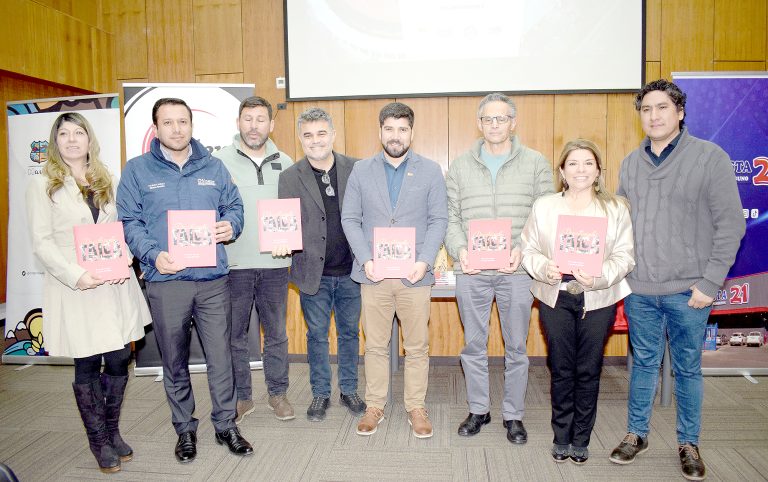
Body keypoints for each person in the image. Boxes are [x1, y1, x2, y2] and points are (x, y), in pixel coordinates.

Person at [610, 79, 745, 481]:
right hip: (640, 290)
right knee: (644, 366)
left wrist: (710, 282)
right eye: (647, 109)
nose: (653, 116)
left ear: (680, 112)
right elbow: (620, 224)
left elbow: (731, 225)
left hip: (690, 291)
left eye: (662, 108)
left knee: (687, 369)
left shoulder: (709, 157)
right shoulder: (631, 163)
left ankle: (689, 442)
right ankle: (637, 434)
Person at [117, 97, 253, 463]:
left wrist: (231, 226)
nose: (177, 129)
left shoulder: (215, 166)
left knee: (221, 356)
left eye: (183, 122)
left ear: (192, 126)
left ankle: (226, 425)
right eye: (168, 123)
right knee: (174, 359)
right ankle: (185, 429)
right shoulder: (137, 171)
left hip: (212, 281)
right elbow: (129, 222)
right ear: (156, 128)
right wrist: (152, 253)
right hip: (167, 280)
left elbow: (235, 207)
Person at [26, 112, 152, 473]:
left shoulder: (106, 178)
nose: (71, 140)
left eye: (78, 132)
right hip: (77, 287)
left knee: (116, 358)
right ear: (56, 142)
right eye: (63, 134)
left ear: (88, 138)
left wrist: (126, 254)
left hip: (113, 285)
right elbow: (41, 242)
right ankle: (98, 441)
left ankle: (112, 430)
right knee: (86, 363)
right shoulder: (42, 185)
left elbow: (119, 226)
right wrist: (75, 274)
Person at [444, 92, 554, 443]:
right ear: (479, 124)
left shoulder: (536, 162)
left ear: (513, 122)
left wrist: (523, 249)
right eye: (488, 119)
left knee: (516, 347)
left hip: (516, 271)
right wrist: (459, 249)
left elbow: (544, 214)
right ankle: (479, 409)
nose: (494, 125)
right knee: (473, 345)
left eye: (501, 118)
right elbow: (451, 217)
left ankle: (514, 415)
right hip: (471, 272)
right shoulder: (460, 165)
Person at [521, 139, 635, 464]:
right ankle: (561, 435)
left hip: (598, 296)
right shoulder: (544, 206)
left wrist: (597, 277)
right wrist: (544, 267)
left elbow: (625, 256)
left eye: (588, 163)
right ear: (562, 170)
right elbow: (528, 249)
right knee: (560, 367)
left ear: (598, 170)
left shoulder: (616, 208)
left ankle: (581, 437)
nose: (580, 169)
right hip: (554, 292)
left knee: (588, 369)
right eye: (573, 163)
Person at [341, 102, 448, 438]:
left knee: (416, 346)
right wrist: (365, 259)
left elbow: (438, 220)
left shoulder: (430, 171)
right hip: (373, 274)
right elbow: (350, 219)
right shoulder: (361, 170)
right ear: (380, 132)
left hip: (414, 276)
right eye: (389, 129)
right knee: (374, 344)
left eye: (403, 129)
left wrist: (425, 260)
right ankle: (375, 405)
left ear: (411, 133)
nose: (396, 135)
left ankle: (416, 407)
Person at [277, 107, 365, 421]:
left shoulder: (357, 168)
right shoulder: (289, 176)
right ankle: (320, 394)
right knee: (316, 336)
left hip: (352, 272)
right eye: (308, 135)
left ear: (333, 135)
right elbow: (284, 223)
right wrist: (280, 241)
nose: (315, 141)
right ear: (301, 138)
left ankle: (349, 389)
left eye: (321, 133)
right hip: (312, 273)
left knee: (350, 334)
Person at [214, 96, 296, 423]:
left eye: (260, 119)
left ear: (271, 125)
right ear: (238, 122)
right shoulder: (218, 161)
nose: (253, 126)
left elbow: (295, 211)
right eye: (247, 119)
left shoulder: (286, 161)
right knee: (234, 335)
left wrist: (289, 241)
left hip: (276, 264)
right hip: (234, 264)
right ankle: (242, 397)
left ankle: (278, 393)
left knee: (276, 332)